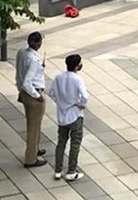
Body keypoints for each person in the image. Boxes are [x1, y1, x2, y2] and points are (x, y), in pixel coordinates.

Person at [48, 54, 88, 182]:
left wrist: (60, 102)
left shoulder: (58, 77)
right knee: (75, 144)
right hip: (75, 115)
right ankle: (71, 170)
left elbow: (51, 93)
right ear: (77, 66)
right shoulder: (77, 79)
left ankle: (58, 170)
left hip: (62, 116)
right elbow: (85, 96)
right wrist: (81, 104)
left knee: (61, 143)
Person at [15, 31, 47, 168]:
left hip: (25, 94)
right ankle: (31, 159)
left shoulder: (22, 52)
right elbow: (27, 82)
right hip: (33, 93)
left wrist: (20, 89)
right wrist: (37, 96)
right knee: (33, 127)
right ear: (38, 43)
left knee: (34, 123)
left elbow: (19, 73)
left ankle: (35, 149)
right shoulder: (34, 60)